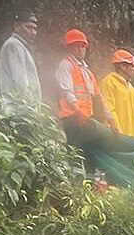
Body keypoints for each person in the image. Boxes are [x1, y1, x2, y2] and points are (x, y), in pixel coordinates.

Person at [55, 29, 116, 159]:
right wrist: (77, 111)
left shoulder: (87, 71)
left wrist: (110, 119)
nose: (80, 49)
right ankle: (77, 177)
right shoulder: (66, 65)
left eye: (83, 46)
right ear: (69, 47)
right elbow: (67, 91)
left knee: (87, 154)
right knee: (75, 153)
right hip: (72, 118)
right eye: (76, 46)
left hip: (85, 118)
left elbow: (99, 98)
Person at [100, 49, 134, 139]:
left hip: (130, 140)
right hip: (115, 138)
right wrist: (119, 134)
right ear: (123, 66)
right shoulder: (109, 82)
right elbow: (109, 110)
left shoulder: (132, 90)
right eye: (132, 66)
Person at [0, 11, 40, 108]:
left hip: (21, 108)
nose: (33, 32)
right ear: (17, 26)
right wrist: (29, 107)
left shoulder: (20, 46)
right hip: (18, 109)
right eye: (29, 27)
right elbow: (20, 81)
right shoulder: (14, 45)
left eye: (35, 29)